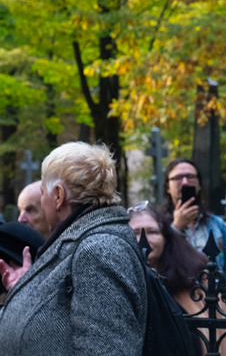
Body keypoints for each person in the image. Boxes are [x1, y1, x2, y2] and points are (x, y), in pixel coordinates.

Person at [0, 142, 147, 355]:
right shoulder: (81, 241)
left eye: (43, 193)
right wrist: (26, 289)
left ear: (58, 195)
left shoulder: (98, 250)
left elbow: (107, 349)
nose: (43, 202)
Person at [128, 203, 226, 356]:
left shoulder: (196, 279)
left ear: (166, 237)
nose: (143, 239)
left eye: (152, 232)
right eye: (136, 232)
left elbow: (222, 339)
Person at [163, 158, 226, 315]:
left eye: (190, 176)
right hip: (176, 307)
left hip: (215, 305)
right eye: (177, 177)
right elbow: (158, 264)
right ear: (167, 187)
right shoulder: (159, 224)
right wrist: (176, 227)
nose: (185, 182)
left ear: (198, 184)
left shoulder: (216, 224)